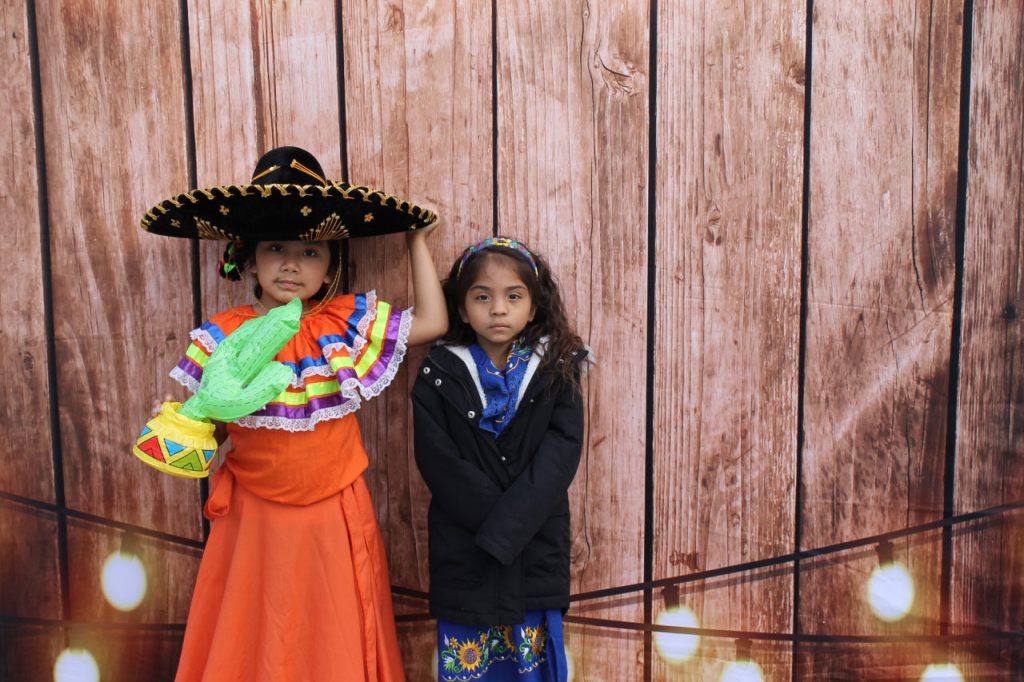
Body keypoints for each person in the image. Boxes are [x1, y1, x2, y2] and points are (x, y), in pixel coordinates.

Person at [131, 146, 447, 681]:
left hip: (332, 513)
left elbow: (434, 323)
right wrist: (189, 420)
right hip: (253, 518)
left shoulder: (344, 325)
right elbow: (209, 434)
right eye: (276, 248)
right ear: (249, 258)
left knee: (332, 634)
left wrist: (416, 240)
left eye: (310, 251)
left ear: (331, 265)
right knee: (254, 634)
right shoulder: (226, 336)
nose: (292, 264)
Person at [411, 236, 589, 682]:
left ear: (533, 306)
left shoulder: (556, 370)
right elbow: (438, 460)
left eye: (513, 297)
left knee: (535, 666)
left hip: (534, 548)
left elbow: (561, 452)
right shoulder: (438, 373)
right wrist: (497, 527)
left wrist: (510, 526)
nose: (497, 310)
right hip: (465, 547)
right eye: (482, 297)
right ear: (460, 307)